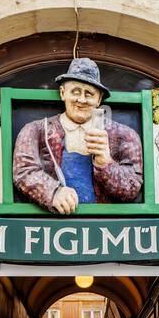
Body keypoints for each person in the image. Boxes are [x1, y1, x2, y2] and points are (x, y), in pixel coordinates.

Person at [11, 58, 143, 215]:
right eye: (75, 91)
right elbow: (24, 171)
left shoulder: (124, 135)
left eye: (89, 94)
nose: (81, 99)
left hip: (105, 226)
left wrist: (105, 163)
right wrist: (52, 192)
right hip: (51, 223)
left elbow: (132, 187)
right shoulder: (36, 130)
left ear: (99, 99)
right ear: (62, 93)